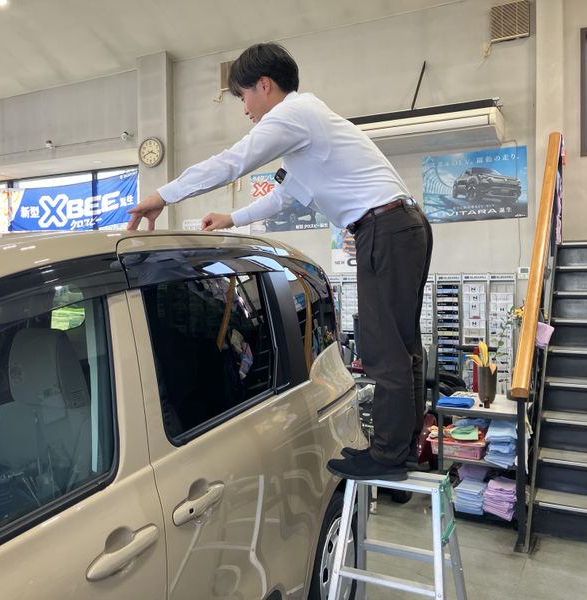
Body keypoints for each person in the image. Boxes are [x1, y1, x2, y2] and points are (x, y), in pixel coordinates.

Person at [127, 42, 432, 481]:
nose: (245, 109)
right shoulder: (306, 127)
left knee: (385, 347)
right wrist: (232, 218)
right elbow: (284, 197)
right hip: (401, 225)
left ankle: (388, 455)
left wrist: (162, 195)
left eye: (244, 96)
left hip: (384, 228)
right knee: (402, 347)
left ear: (265, 85)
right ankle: (401, 449)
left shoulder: (292, 115)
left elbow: (232, 162)